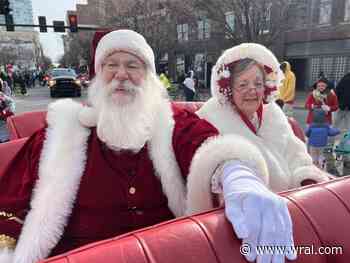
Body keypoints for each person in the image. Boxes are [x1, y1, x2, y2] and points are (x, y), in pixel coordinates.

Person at [0, 30, 296, 263]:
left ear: (150, 78)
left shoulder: (174, 123)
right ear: (98, 77)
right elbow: (9, 209)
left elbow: (206, 144)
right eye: (111, 66)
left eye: (133, 65)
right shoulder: (57, 137)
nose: (121, 75)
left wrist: (237, 177)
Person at [197, 43, 329, 193]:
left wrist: (306, 177)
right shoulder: (210, 117)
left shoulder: (273, 113)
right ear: (229, 88)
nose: (252, 90)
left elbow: (295, 152)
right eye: (243, 84)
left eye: (258, 83)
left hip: (292, 199)